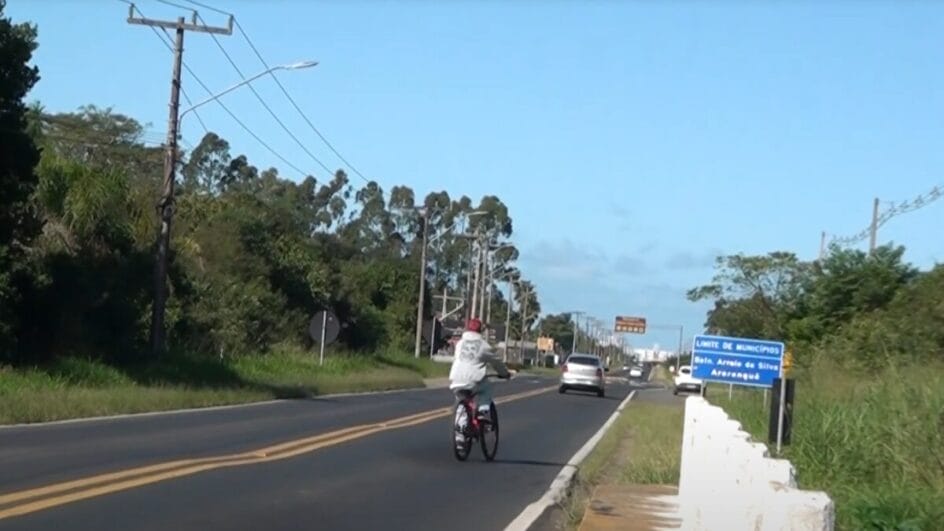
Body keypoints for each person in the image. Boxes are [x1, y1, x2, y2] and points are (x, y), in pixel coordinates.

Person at [449, 318, 511, 418]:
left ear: (467, 329)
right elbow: (497, 363)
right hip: (473, 382)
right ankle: (483, 410)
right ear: (480, 331)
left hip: (456, 379)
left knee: (460, 406)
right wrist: (505, 373)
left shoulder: (460, 343)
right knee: (487, 387)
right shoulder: (484, 346)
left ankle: (459, 430)